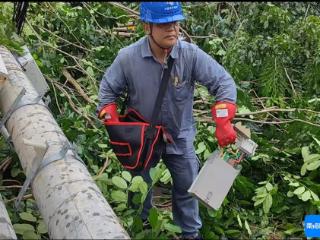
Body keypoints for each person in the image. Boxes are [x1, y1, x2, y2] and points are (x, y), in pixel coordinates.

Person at [97, 2, 237, 239]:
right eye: (163, 23)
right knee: (139, 189)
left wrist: (223, 120)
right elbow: (107, 91)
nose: (171, 28)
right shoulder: (127, 58)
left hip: (180, 137)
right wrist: (114, 123)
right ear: (147, 27)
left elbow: (224, 83)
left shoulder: (190, 55)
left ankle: (190, 234)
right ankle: (139, 230)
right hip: (142, 139)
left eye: (174, 22)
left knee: (187, 189)